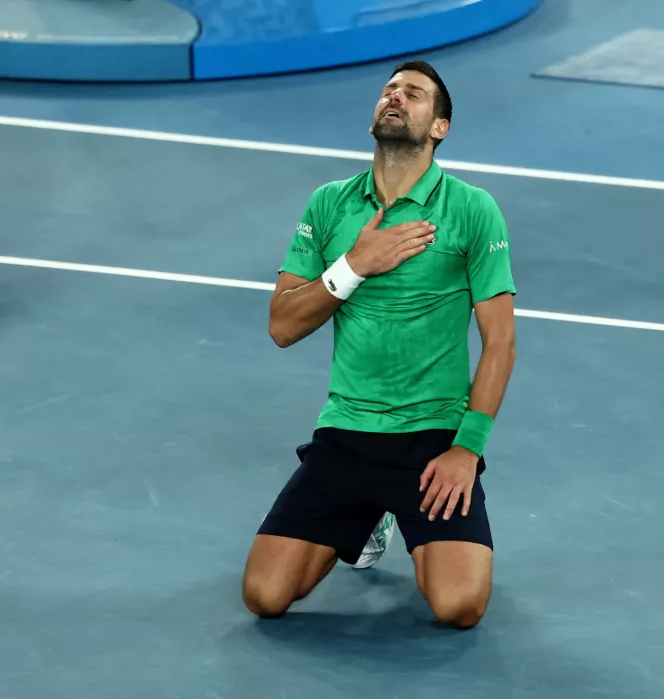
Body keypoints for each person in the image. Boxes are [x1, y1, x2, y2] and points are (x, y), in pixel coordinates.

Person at [242, 60, 517, 629]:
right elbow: (282, 326)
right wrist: (354, 265)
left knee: (458, 606)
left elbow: (501, 341)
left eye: (414, 94)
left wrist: (467, 449)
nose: (395, 97)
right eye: (389, 90)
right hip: (346, 435)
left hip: (433, 441)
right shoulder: (330, 204)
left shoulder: (471, 208)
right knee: (264, 596)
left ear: (439, 126)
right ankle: (369, 516)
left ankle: (400, 515)